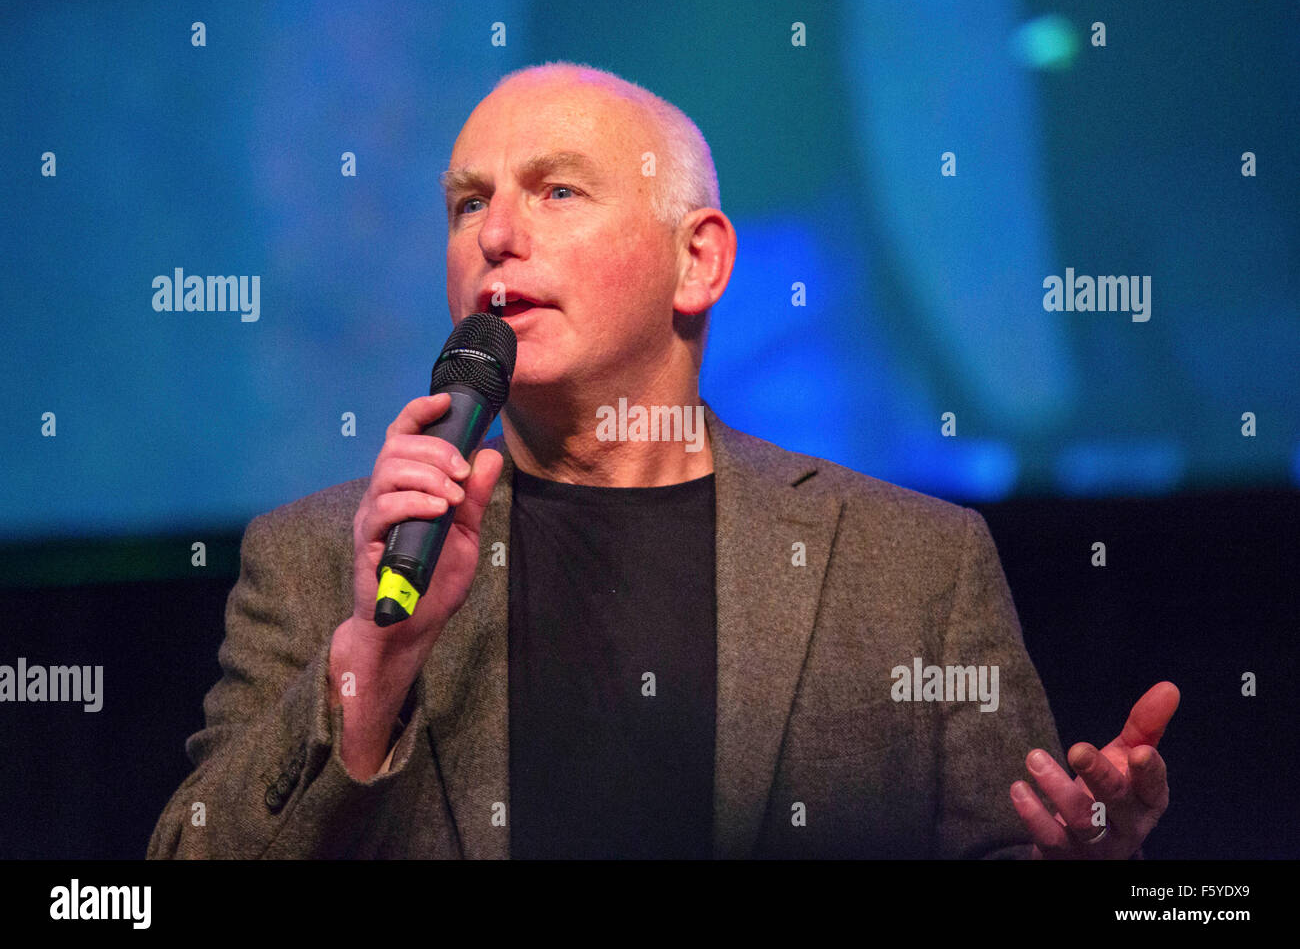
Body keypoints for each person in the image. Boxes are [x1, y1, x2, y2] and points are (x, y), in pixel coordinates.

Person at [148, 61, 1177, 860]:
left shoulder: (914, 566)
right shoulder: (318, 559)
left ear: (700, 260)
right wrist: (370, 671)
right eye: (468, 203)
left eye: (556, 192)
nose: (497, 234)